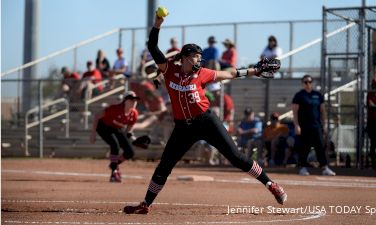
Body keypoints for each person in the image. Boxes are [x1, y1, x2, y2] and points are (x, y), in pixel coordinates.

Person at [123, 14, 286, 214]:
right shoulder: (169, 70)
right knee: (164, 166)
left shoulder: (203, 73)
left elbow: (231, 73)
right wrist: (157, 24)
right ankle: (145, 204)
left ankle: (272, 186)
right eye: (195, 55)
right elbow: (152, 47)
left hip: (206, 121)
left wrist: (256, 70)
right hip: (183, 127)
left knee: (236, 158)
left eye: (201, 56)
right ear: (184, 57)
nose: (199, 58)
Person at [90, 91, 140, 182]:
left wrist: (133, 139)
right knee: (115, 145)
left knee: (130, 152)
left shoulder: (134, 114)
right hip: (103, 127)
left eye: (135, 100)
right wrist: (93, 134)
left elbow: (128, 130)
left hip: (116, 128)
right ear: (124, 101)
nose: (134, 102)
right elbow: (97, 116)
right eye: (131, 100)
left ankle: (114, 163)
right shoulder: (115, 109)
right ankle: (114, 172)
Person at [292, 75, 336, 176]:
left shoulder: (318, 95)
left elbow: (323, 111)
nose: (308, 84)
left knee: (320, 146)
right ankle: (303, 168)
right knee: (304, 147)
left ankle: (325, 167)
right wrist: (296, 125)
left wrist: (324, 125)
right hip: (304, 127)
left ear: (312, 83)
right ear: (302, 83)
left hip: (316, 126)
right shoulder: (299, 96)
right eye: (305, 82)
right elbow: (294, 112)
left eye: (309, 82)